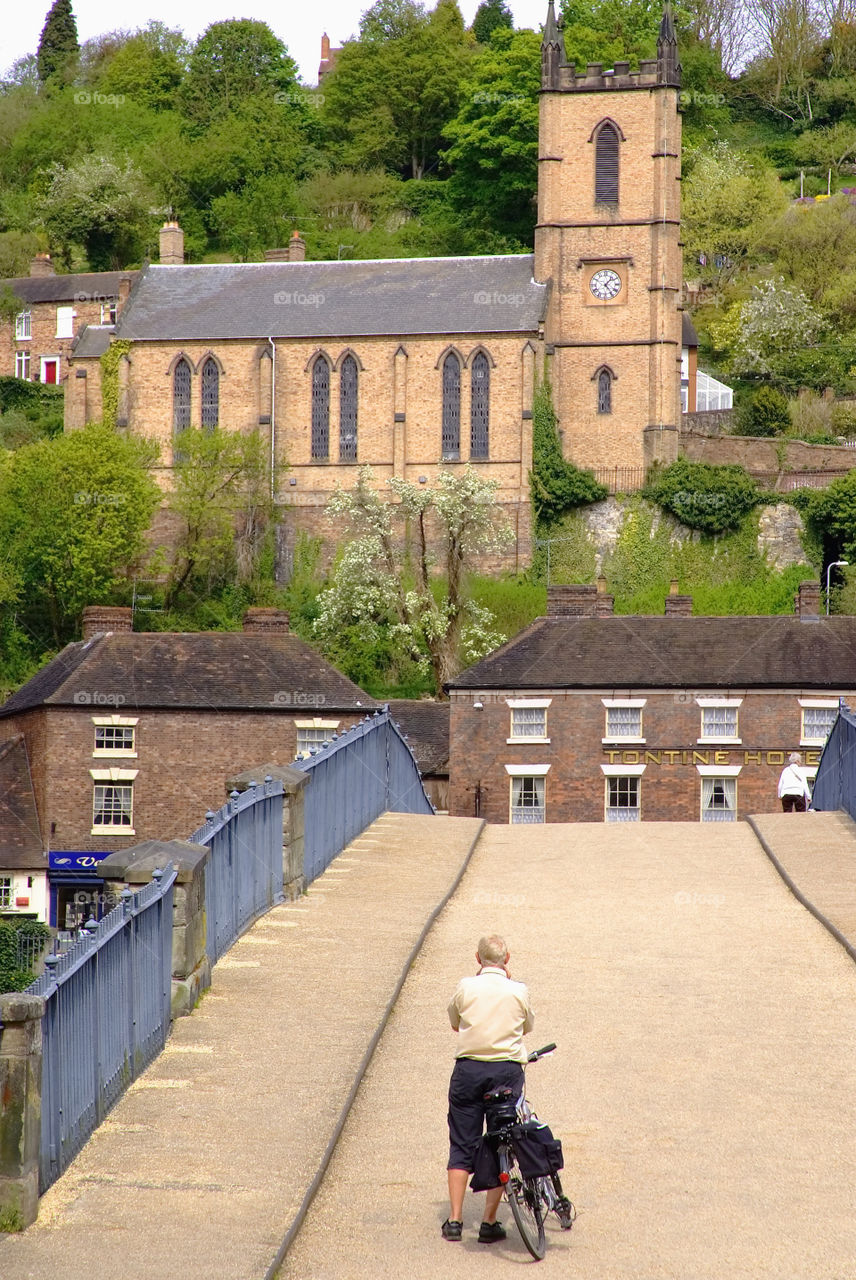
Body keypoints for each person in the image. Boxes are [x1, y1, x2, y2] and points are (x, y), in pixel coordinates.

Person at [442, 933, 534, 1244]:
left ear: (477, 958)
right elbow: (526, 1027)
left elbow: (455, 1022)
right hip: (505, 1073)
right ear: (507, 959)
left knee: (462, 1142)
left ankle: (454, 1220)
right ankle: (489, 1221)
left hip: (468, 1070)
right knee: (500, 1141)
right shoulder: (517, 991)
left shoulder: (465, 987)